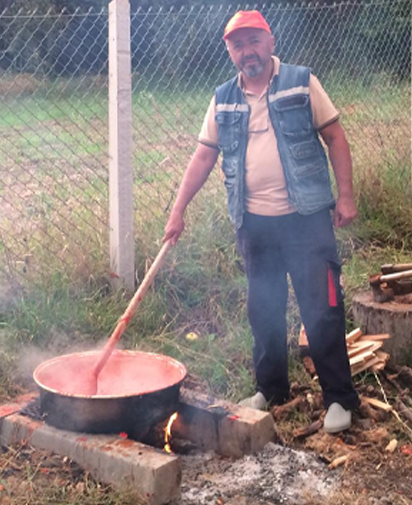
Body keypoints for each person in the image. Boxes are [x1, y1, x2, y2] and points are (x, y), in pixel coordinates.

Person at [162, 10, 360, 433]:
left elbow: (336, 137)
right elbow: (203, 156)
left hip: (306, 220)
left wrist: (345, 195)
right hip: (255, 225)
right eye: (238, 45)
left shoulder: (301, 82)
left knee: (321, 308)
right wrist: (177, 210)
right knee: (263, 308)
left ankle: (339, 399)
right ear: (229, 51)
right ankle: (271, 389)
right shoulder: (223, 98)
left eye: (253, 41)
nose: (247, 51)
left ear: (269, 41)